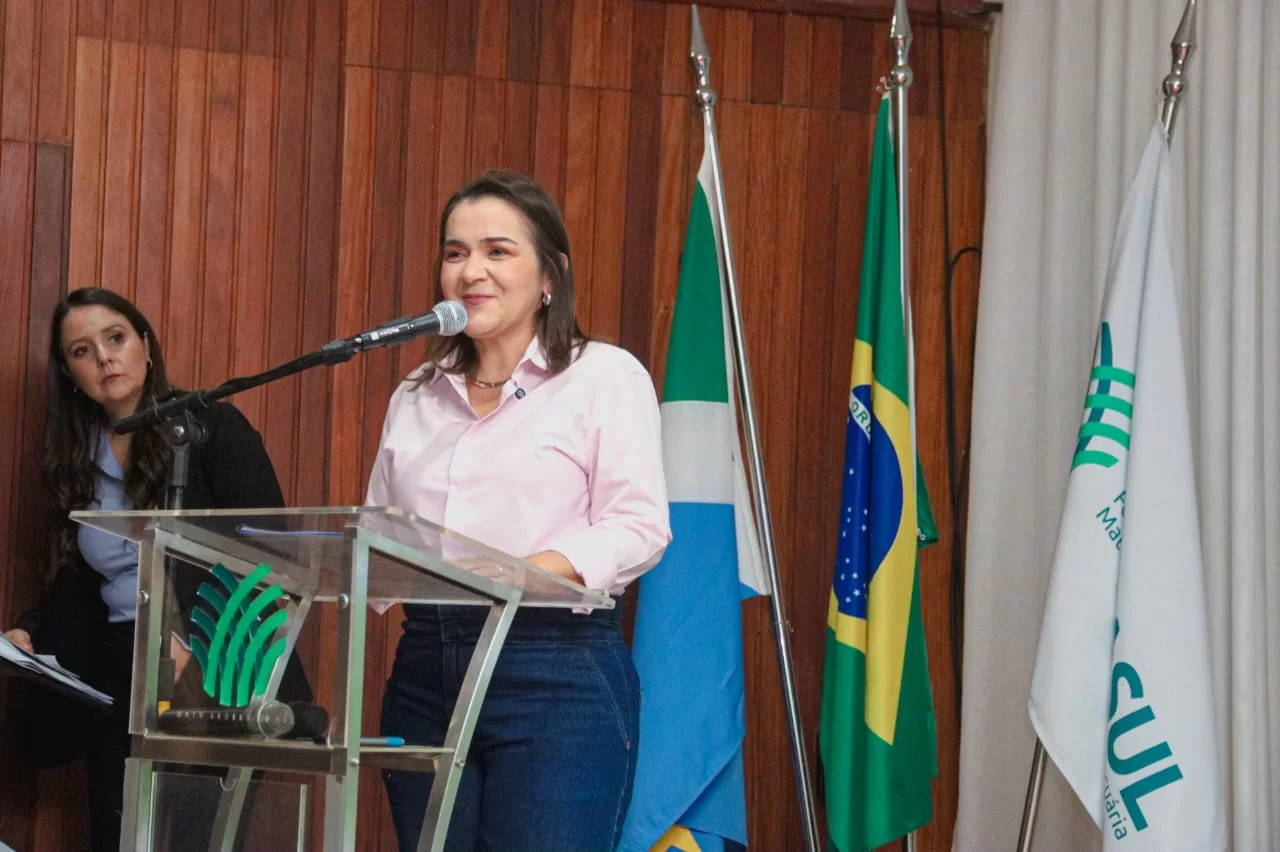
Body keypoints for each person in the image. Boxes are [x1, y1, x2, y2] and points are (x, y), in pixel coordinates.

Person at [368, 170, 672, 851]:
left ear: (549, 277)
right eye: (455, 253)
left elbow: (639, 525)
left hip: (552, 668)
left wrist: (520, 570)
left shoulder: (603, 376)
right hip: (426, 668)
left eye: (497, 251)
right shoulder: (417, 392)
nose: (470, 270)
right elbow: (380, 532)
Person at [2, 287, 310, 852]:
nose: (104, 358)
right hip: (118, 673)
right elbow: (84, 576)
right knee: (116, 836)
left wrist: (203, 649)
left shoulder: (212, 427)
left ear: (145, 344)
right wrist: (30, 630)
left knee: (196, 839)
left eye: (115, 338)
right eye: (82, 351)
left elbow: (273, 561)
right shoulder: (79, 457)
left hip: (214, 670)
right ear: (70, 375)